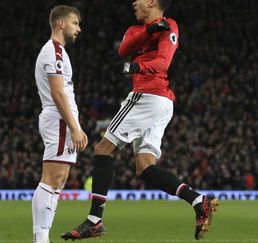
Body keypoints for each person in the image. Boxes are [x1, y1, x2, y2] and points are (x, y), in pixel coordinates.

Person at [61, 0, 219, 241]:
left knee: (103, 151)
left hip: (148, 95)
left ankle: (94, 221)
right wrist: (149, 31)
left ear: (153, 2)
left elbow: (162, 63)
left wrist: (135, 66)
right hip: (162, 101)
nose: (134, 2)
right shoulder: (136, 30)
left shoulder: (170, 25)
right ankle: (198, 200)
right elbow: (123, 50)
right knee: (146, 167)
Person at [32, 5, 87, 243]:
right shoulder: (53, 52)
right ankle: (40, 237)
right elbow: (57, 92)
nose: (79, 29)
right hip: (59, 121)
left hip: (59, 120)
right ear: (61, 24)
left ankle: (42, 237)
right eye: (75, 23)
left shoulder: (58, 52)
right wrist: (74, 127)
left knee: (58, 182)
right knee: (52, 180)